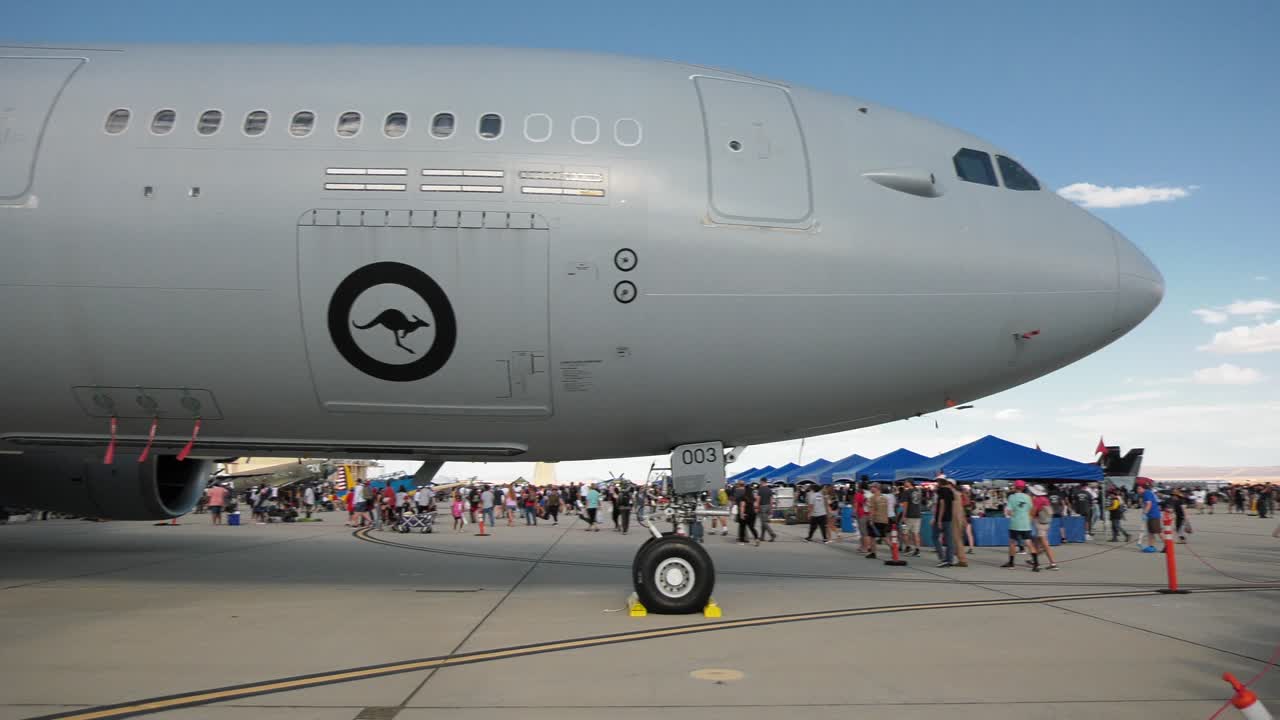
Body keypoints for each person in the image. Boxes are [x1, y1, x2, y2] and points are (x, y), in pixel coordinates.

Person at [1028, 484, 1060, 571]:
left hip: (1040, 523)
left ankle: (1053, 563)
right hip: (1047, 523)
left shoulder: (1037, 500)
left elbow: (1033, 513)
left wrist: (1028, 521)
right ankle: (1033, 559)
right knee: (1037, 542)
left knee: (1044, 544)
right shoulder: (1045, 499)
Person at [1002, 480, 1033, 568]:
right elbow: (1031, 509)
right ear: (1023, 488)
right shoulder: (1028, 497)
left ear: (1015, 487)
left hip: (1015, 523)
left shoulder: (1012, 497)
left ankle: (1011, 563)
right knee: (1028, 542)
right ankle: (1035, 562)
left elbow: (1008, 511)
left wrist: (1013, 514)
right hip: (1026, 523)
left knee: (1012, 542)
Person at [932, 477, 958, 567]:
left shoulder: (941, 491)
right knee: (949, 540)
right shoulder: (951, 491)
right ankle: (949, 560)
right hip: (949, 518)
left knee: (935, 537)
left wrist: (938, 519)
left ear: (940, 483)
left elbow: (942, 505)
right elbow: (954, 505)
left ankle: (942, 558)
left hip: (941, 519)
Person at [899, 480, 923, 557]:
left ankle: (908, 547)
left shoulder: (906, 492)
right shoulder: (918, 491)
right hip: (918, 515)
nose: (904, 483)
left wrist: (903, 516)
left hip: (908, 515)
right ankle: (917, 549)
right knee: (915, 533)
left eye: (906, 482)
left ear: (909, 483)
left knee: (905, 532)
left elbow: (905, 505)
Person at [867, 483, 889, 560]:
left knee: (872, 537)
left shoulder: (872, 498)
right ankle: (893, 549)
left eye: (871, 487)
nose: (870, 489)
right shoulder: (884, 498)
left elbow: (872, 510)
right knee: (883, 536)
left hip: (876, 520)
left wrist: (870, 520)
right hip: (884, 520)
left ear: (876, 488)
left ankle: (873, 553)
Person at [1138, 478, 1161, 552]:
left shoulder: (1147, 493)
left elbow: (1149, 504)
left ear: (1142, 488)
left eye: (1139, 488)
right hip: (1150, 516)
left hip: (1154, 515)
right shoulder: (1144, 494)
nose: (1137, 490)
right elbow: (1145, 505)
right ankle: (1151, 547)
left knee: (1158, 531)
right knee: (1151, 532)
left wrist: (1145, 513)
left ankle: (1167, 545)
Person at [734, 480, 759, 546]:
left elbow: (742, 506)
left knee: (742, 526)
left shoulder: (743, 497)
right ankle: (756, 539)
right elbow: (756, 505)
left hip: (745, 513)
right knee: (752, 527)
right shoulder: (753, 498)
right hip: (753, 513)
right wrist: (755, 511)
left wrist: (742, 514)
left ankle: (742, 541)